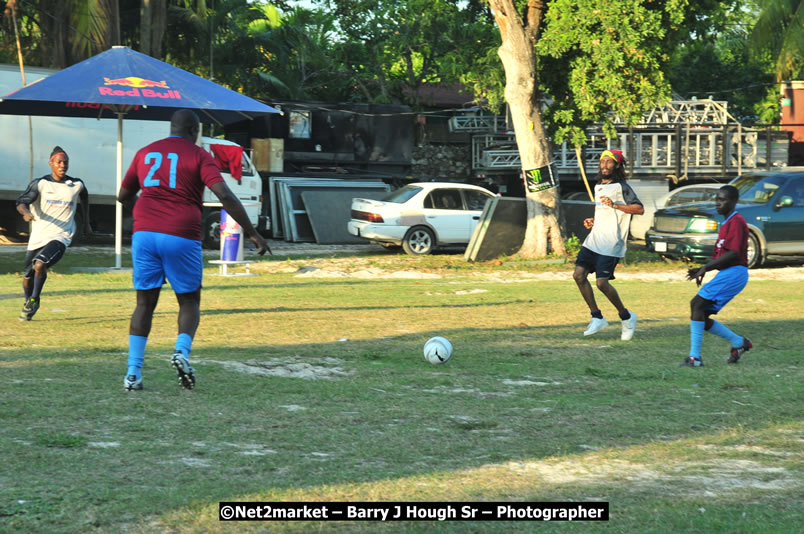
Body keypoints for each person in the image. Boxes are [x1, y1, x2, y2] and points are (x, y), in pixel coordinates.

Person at [118, 109, 270, 391]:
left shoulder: (145, 152)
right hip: (180, 233)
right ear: (194, 131)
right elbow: (224, 195)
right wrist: (252, 232)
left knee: (144, 304)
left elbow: (123, 195)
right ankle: (180, 352)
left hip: (145, 234)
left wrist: (145, 212)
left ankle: (133, 374)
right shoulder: (200, 155)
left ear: (171, 127)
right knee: (189, 301)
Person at [572, 149, 644, 340]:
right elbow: (605, 212)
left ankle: (626, 317)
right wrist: (594, 221)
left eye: (609, 162)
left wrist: (616, 205)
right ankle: (597, 317)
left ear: (617, 165)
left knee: (602, 283)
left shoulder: (623, 187)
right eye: (602, 161)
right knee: (578, 275)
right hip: (594, 239)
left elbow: (639, 209)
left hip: (612, 243)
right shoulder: (598, 186)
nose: (605, 165)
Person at [16, 146, 91, 321]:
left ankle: (34, 298)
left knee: (40, 264)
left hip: (61, 236)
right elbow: (21, 201)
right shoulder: (40, 184)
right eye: (59, 162)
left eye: (65, 162)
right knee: (27, 277)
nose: (62, 165)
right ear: (51, 163)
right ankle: (29, 303)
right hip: (38, 236)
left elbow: (85, 198)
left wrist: (86, 222)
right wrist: (25, 212)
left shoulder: (76, 184)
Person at [682, 185, 751, 367]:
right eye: (717, 200)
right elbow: (723, 258)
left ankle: (694, 358)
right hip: (730, 272)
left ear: (734, 201)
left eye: (723, 200)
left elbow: (734, 253)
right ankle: (739, 342)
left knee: (696, 305)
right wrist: (702, 268)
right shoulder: (726, 223)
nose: (718, 203)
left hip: (735, 273)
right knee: (701, 314)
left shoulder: (736, 221)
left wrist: (706, 267)